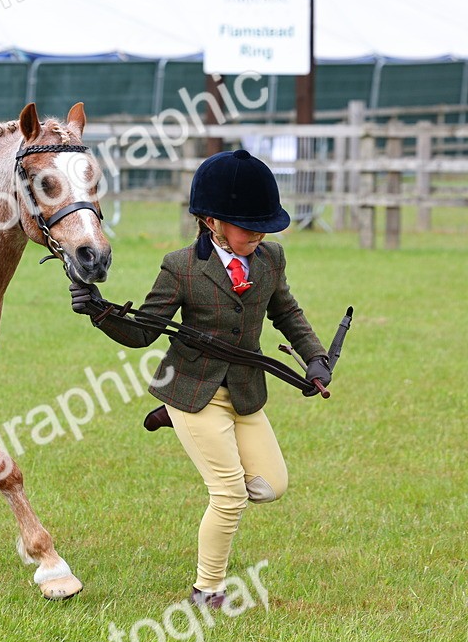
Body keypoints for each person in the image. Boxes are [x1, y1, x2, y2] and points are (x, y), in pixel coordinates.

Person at [69, 149, 330, 609]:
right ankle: (207, 591)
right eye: (248, 225)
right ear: (211, 221)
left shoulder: (270, 260)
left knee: (272, 485)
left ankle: (191, 431)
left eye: (263, 225)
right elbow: (144, 330)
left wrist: (315, 357)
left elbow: (286, 312)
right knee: (228, 495)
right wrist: (99, 311)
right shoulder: (180, 266)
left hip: (245, 391)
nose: (258, 233)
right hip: (192, 388)